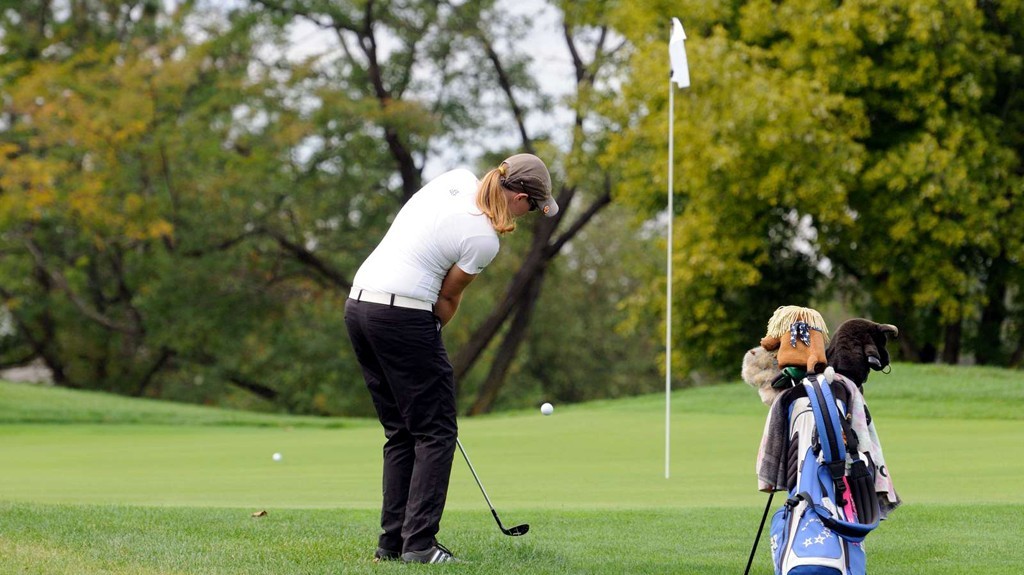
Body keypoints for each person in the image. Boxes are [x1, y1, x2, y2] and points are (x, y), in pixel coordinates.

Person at [344, 153, 558, 564]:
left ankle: (392, 545)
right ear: (518, 196)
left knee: (402, 431)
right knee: (437, 430)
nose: (530, 213)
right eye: (532, 205)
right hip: (402, 314)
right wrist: (428, 333)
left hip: (358, 306)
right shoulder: (483, 240)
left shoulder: (455, 178)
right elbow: (447, 297)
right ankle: (420, 546)